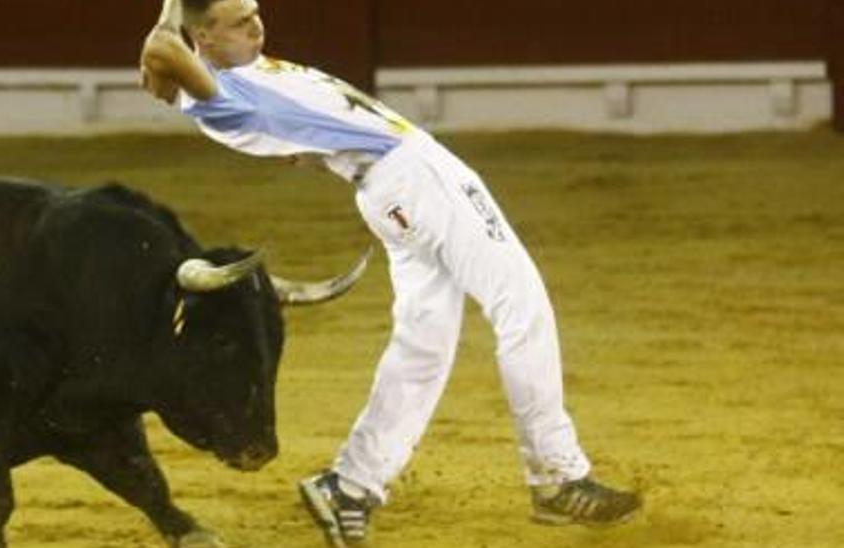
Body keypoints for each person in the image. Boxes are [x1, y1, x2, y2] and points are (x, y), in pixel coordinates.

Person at [138, 0, 643, 545]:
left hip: (388, 188)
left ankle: (350, 485)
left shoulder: (216, 80)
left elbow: (156, 70)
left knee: (422, 347)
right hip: (416, 179)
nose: (256, 24)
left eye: (254, 11)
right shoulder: (224, 93)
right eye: (239, 21)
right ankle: (558, 475)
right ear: (203, 40)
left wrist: (177, 20)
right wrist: (172, 10)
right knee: (522, 308)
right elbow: (161, 50)